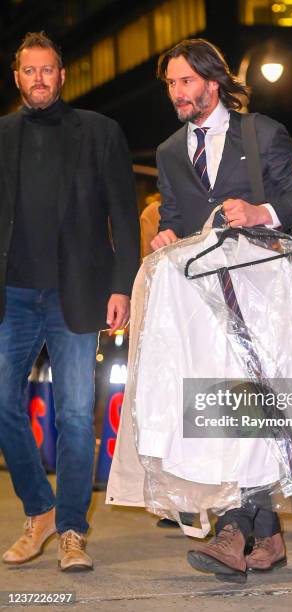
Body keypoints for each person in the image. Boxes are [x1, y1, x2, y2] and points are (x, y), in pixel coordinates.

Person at [149, 38, 292, 579]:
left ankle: (234, 530)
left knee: (257, 408)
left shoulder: (261, 133)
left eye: (186, 81)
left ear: (213, 84)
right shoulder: (170, 151)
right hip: (205, 303)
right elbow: (174, 213)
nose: (178, 93)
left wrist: (260, 210)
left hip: (267, 295)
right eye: (171, 84)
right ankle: (266, 534)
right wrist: (167, 232)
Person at [0, 32, 140, 571]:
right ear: (17, 78)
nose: (39, 78)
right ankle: (39, 509)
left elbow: (124, 216)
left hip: (77, 294)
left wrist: (121, 285)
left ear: (62, 76)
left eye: (48, 69)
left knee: (79, 415)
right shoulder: (3, 135)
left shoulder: (100, 133)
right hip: (12, 294)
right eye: (29, 70)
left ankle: (72, 531)